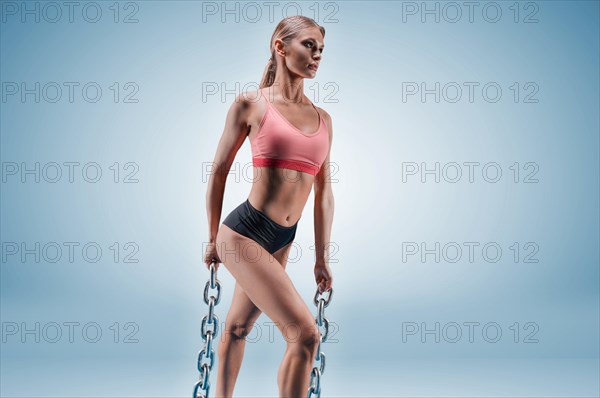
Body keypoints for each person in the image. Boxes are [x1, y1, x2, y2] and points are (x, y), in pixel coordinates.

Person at [202, 15, 334, 398]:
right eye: (309, 45)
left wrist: (321, 258)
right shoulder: (252, 104)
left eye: (321, 49)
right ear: (281, 46)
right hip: (243, 233)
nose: (317, 55)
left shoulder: (323, 118)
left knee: (239, 326)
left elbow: (324, 194)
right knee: (305, 336)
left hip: (282, 238)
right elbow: (218, 172)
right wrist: (212, 238)